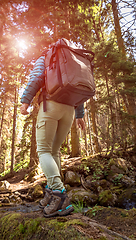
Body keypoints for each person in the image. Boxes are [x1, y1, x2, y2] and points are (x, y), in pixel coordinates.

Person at [20, 43, 86, 218]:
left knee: (44, 151)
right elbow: (79, 88)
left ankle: (59, 194)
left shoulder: (46, 58)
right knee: (55, 151)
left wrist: (25, 100)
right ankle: (51, 194)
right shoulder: (72, 63)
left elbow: (36, 78)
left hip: (50, 106)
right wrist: (80, 115)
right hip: (70, 110)